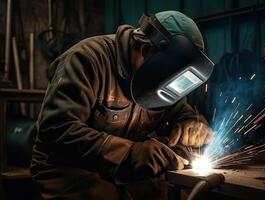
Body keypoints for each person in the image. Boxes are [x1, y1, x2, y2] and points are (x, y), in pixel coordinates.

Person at [31, 10, 214, 199]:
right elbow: (57, 129)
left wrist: (192, 123)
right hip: (68, 169)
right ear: (145, 50)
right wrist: (130, 154)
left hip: (126, 172)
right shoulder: (88, 59)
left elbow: (179, 111)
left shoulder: (162, 79)